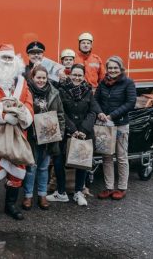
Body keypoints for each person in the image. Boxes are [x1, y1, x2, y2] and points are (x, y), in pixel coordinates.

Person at [0, 44, 34, 223]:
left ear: (16, 61)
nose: (7, 61)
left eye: (10, 58)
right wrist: (4, 116)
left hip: (17, 131)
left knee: (17, 168)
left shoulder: (22, 81)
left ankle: (11, 205)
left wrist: (21, 115)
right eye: (4, 58)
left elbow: (28, 103)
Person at [48, 64, 98, 206]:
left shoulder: (88, 90)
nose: (77, 78)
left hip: (84, 132)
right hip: (65, 131)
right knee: (58, 161)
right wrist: (72, 129)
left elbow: (92, 111)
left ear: (83, 77)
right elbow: (60, 110)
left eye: (79, 75)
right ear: (70, 75)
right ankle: (61, 192)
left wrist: (83, 129)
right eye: (74, 75)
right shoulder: (61, 90)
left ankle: (78, 192)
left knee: (81, 163)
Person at [22, 64, 65, 210]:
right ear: (32, 78)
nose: (41, 80)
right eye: (38, 77)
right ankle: (28, 196)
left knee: (44, 167)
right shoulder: (26, 92)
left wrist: (60, 134)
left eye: (44, 78)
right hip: (31, 136)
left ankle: (42, 195)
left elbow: (60, 115)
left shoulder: (54, 92)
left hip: (49, 136)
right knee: (31, 167)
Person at [95, 56, 136, 201]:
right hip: (105, 125)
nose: (112, 70)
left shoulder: (128, 82)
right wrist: (100, 113)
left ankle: (122, 188)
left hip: (120, 125)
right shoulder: (103, 83)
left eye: (115, 68)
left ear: (121, 69)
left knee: (121, 156)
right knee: (106, 156)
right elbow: (95, 100)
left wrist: (112, 115)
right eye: (110, 68)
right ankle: (109, 187)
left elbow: (130, 103)